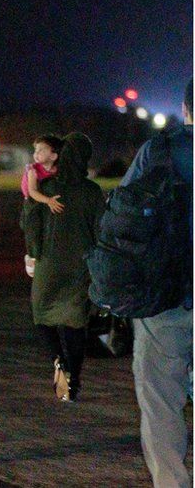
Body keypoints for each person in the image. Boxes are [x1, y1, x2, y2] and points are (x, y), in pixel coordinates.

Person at [126, 79, 193, 488]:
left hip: (163, 299)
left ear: (186, 109)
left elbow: (123, 223)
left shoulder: (158, 151)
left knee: (161, 400)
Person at [23, 133, 105, 402]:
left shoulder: (48, 187)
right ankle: (74, 379)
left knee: (42, 315)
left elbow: (31, 222)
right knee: (74, 322)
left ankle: (58, 359)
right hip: (79, 267)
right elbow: (100, 231)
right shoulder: (92, 192)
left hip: (49, 263)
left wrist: (33, 253)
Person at [21, 135, 64, 277]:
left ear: (53, 156)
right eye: (35, 150)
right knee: (33, 227)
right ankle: (31, 257)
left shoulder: (58, 171)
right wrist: (48, 201)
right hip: (32, 202)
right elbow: (32, 191)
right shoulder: (33, 170)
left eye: (41, 150)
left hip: (46, 201)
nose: (36, 153)